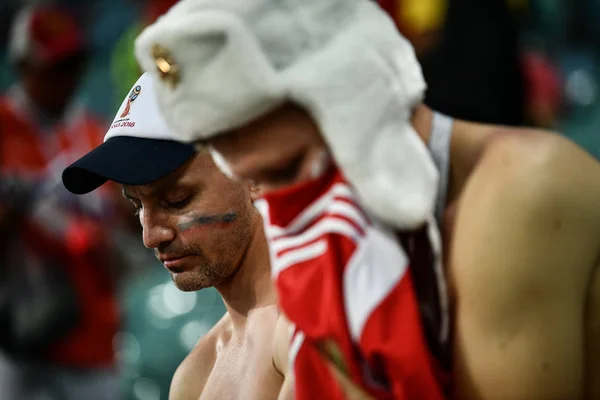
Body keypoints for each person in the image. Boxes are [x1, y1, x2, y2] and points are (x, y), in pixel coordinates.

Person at [134, 0, 600, 399]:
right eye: (256, 180)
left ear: (355, 95)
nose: (275, 207)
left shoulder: (521, 189)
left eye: (289, 169)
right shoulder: (330, 234)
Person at [62, 73, 285, 400]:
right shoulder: (197, 371)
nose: (150, 236)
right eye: (136, 204)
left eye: (176, 199)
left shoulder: (308, 332)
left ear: (255, 173)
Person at [0, 6, 122, 400]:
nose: (68, 80)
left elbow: (128, 221)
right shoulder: (4, 129)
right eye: (55, 67)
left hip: (92, 333)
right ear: (23, 65)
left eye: (74, 65)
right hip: (15, 336)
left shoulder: (94, 130)